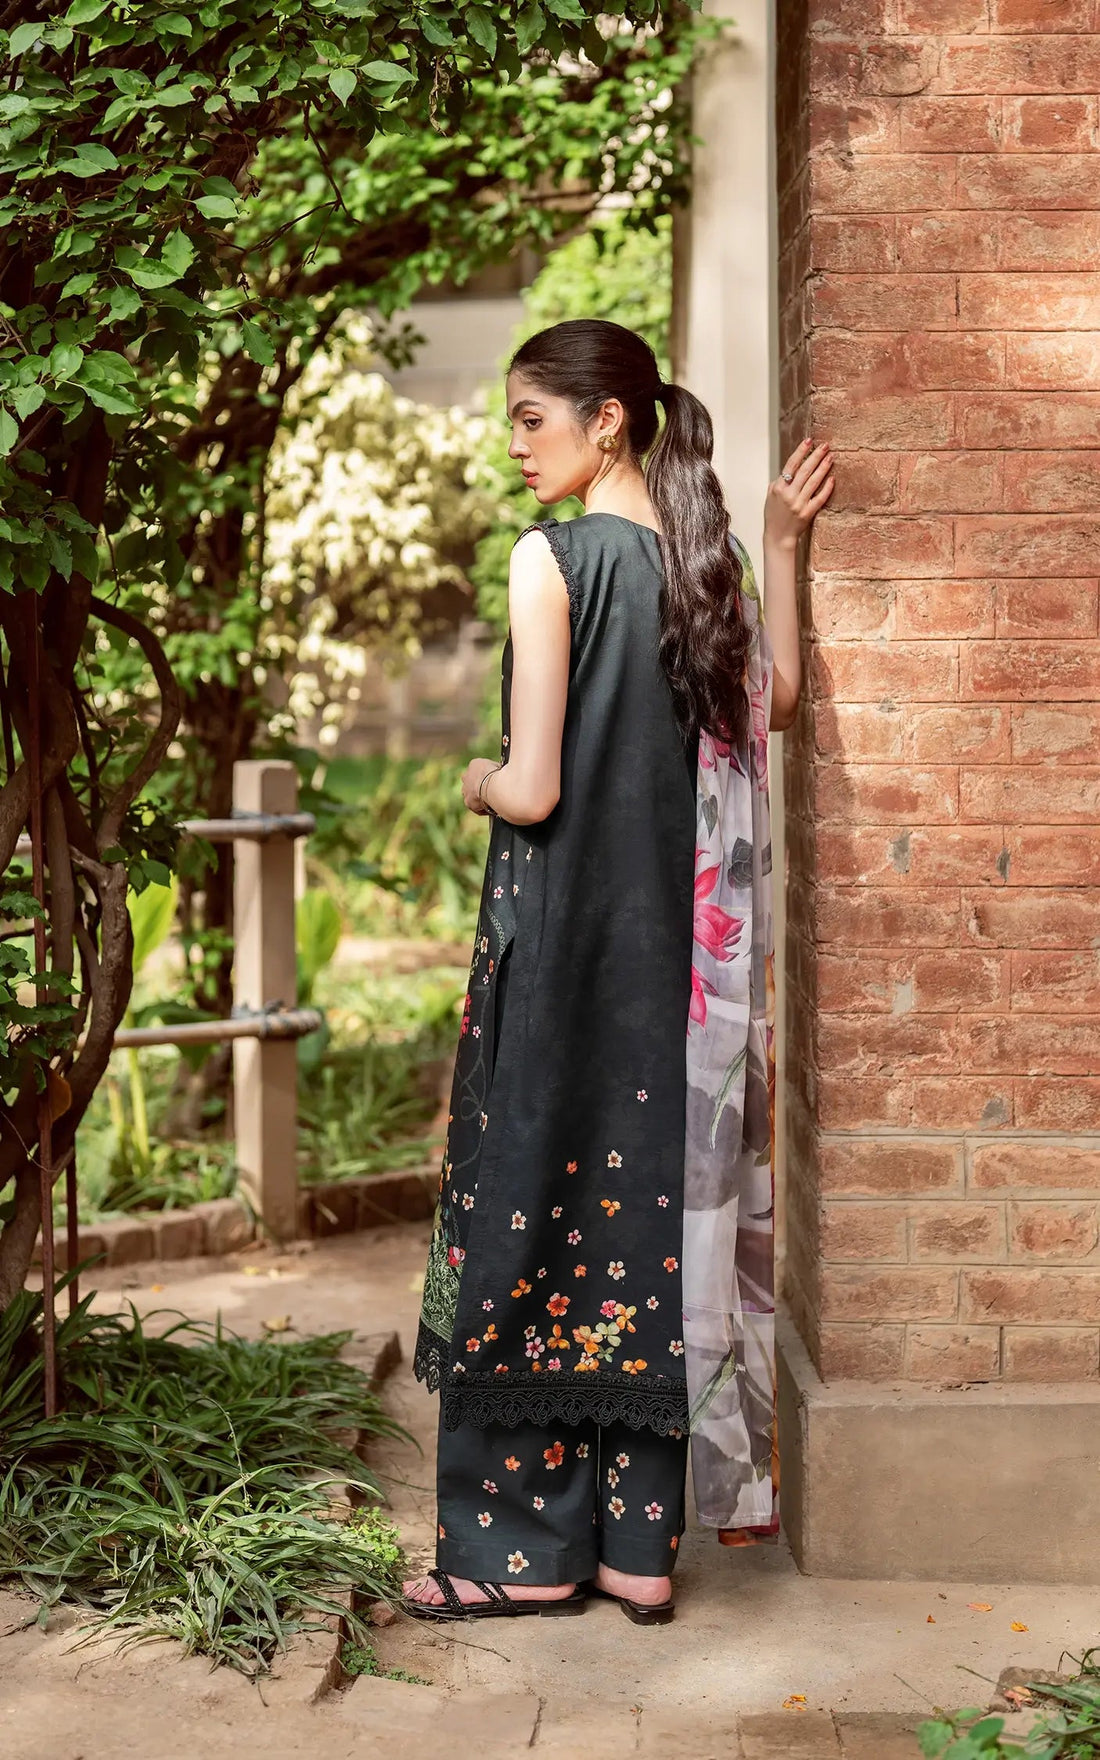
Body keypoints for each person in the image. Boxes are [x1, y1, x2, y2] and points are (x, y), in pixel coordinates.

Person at [404, 317, 832, 1623]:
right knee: (647, 1233)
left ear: (608, 422)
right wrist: (785, 545)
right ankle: (640, 1554)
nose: (514, 446)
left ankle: (517, 1557)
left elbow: (535, 789)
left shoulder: (552, 558)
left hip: (567, 954)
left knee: (529, 1221)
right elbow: (778, 705)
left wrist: (475, 779)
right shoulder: (707, 561)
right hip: (680, 983)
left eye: (532, 418)